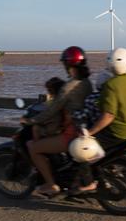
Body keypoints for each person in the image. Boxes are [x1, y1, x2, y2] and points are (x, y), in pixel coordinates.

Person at [70, 48, 126, 194]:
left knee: (83, 150)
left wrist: (89, 133)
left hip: (117, 134)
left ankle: (88, 183)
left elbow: (108, 116)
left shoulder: (112, 85)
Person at [22, 46, 92, 197]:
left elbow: (51, 110)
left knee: (34, 148)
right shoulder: (87, 83)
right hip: (84, 129)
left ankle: (51, 184)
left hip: (71, 134)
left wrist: (32, 120)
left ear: (68, 64)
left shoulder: (68, 87)